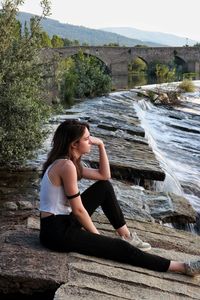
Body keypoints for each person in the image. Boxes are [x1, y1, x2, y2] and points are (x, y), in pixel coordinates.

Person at [39, 119, 200, 277]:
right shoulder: (66, 166)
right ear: (74, 144)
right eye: (87, 139)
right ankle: (182, 267)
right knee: (120, 248)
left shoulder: (67, 163)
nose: (90, 142)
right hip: (56, 233)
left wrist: (101, 145)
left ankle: (127, 236)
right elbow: (79, 210)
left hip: (61, 221)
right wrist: (98, 238)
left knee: (104, 187)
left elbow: (104, 175)